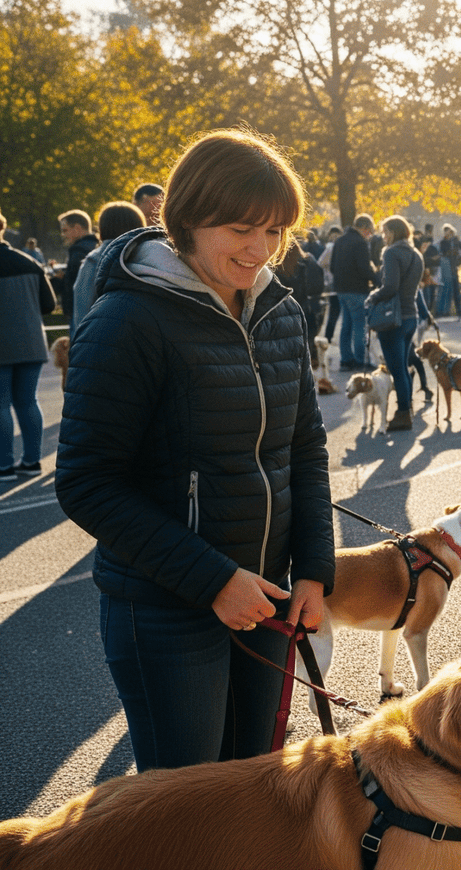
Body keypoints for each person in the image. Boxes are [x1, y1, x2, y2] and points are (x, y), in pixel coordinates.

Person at [55, 128, 334, 772]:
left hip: (268, 598)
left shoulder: (280, 311)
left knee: (254, 791)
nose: (260, 249)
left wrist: (315, 570)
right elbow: (87, 482)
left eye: (275, 231)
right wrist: (214, 580)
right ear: (187, 218)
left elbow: (304, 448)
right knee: (184, 807)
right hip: (167, 610)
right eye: (241, 228)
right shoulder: (126, 319)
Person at [0, 207, 50, 482]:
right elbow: (48, 305)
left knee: (1, 404)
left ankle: (4, 465)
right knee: (28, 401)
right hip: (32, 342)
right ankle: (32, 460)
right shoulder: (30, 262)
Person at [369, 215, 424, 431]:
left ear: (392, 232)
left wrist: (373, 296)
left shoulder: (391, 253)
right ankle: (406, 407)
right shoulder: (416, 254)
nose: (383, 237)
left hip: (393, 318)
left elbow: (390, 286)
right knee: (403, 367)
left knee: (397, 369)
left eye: (385, 232)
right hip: (411, 316)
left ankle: (403, 413)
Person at [72, 201, 145, 338]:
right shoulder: (149, 258)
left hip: (102, 338)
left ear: (102, 229)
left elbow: (82, 307)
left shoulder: (94, 260)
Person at [332, 214, 378, 369]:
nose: (369, 234)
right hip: (357, 290)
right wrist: (377, 279)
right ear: (364, 228)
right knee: (359, 325)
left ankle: (346, 359)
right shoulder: (360, 243)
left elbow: (332, 266)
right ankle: (360, 360)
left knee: (346, 325)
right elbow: (364, 268)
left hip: (340, 290)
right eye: (370, 231)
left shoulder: (339, 240)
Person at [58, 209, 99, 322]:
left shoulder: (78, 251)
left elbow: (77, 284)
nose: (63, 235)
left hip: (81, 315)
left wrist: (62, 280)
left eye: (65, 230)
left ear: (77, 228)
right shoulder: (96, 246)